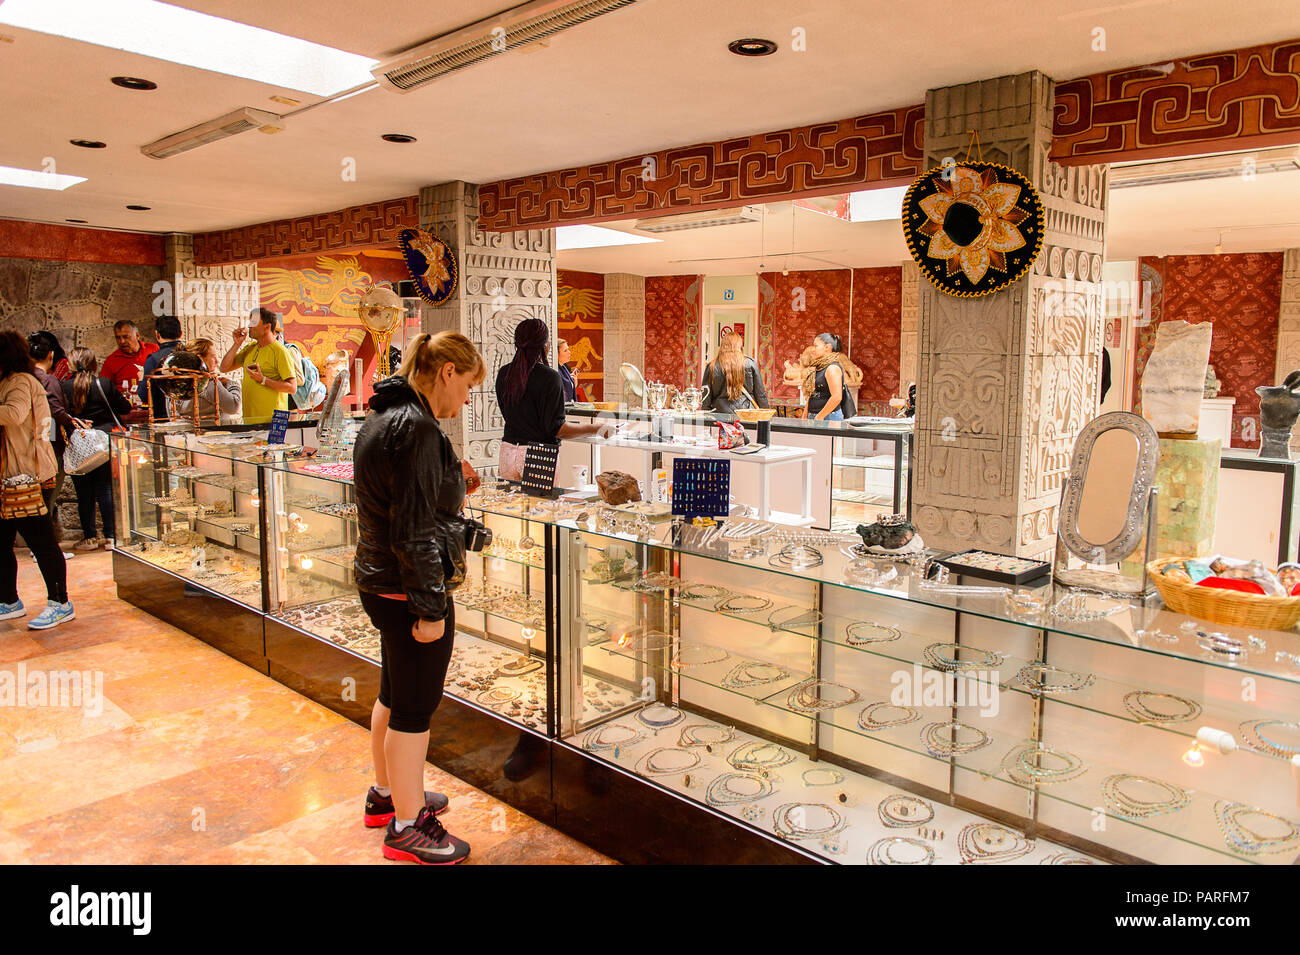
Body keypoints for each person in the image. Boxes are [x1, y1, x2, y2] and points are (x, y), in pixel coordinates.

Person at [353, 331, 487, 865]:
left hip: (380, 582)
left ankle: (388, 796)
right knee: (414, 709)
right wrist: (431, 609)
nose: (468, 399)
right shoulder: (418, 430)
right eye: (469, 385)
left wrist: (452, 488)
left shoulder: (387, 415)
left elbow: (409, 504)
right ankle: (408, 827)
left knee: (393, 692)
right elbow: (413, 532)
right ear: (448, 373)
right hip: (407, 589)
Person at [0, 331, 75, 630]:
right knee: (1, 541)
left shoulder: (20, 381)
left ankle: (61, 603)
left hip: (25, 475)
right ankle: (8, 600)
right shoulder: (9, 380)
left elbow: (14, 414)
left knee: (41, 542)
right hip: (10, 476)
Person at [496, 318, 606, 481]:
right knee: (543, 506)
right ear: (545, 345)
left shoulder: (504, 373)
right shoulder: (549, 377)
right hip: (539, 456)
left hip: (507, 453)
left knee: (510, 506)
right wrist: (595, 428)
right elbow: (557, 429)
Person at [61, 348, 130, 551]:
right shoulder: (104, 384)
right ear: (93, 364)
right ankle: (110, 537)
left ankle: (89, 537)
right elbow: (125, 408)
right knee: (105, 489)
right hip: (103, 443)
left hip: (79, 444)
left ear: (70, 364)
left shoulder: (63, 386)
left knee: (84, 493)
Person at [28, 334, 82, 558]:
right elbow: (54, 411)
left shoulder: (23, 378)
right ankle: (43, 548)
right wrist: (72, 424)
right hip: (48, 445)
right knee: (49, 494)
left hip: (30, 444)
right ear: (51, 355)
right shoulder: (48, 380)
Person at [218, 308, 301, 424]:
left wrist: (263, 380)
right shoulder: (251, 348)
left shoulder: (280, 351)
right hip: (250, 419)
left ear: (267, 327)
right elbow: (224, 368)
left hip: (274, 420)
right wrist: (237, 344)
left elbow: (292, 387)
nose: (249, 326)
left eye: (253, 323)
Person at [165, 338, 242, 425]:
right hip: (212, 435)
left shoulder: (174, 382)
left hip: (185, 435)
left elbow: (173, 416)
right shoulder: (207, 383)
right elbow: (234, 407)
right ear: (200, 359)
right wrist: (232, 383)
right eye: (213, 357)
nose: (217, 362)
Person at [700, 329, 769, 414]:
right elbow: (760, 394)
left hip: (720, 413)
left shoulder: (712, 366)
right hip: (746, 413)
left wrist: (706, 414)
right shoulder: (749, 363)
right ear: (739, 345)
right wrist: (766, 415)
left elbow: (706, 395)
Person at [137, 314, 184, 420]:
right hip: (191, 416)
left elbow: (145, 396)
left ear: (157, 335)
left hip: (163, 418)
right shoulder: (193, 354)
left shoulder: (154, 359)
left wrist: (141, 379)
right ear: (181, 334)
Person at [100, 320, 158, 402]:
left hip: (154, 403)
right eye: (118, 337)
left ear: (137, 335)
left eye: (126, 337)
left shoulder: (154, 349)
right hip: (127, 407)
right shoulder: (111, 360)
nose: (122, 341)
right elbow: (104, 390)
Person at [803, 332, 857, 421]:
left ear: (827, 347)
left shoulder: (832, 368)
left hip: (828, 417)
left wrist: (820, 416)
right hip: (816, 416)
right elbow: (812, 393)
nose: (813, 349)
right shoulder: (819, 367)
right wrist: (805, 413)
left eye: (816, 346)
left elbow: (836, 397)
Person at [557, 338, 577, 403]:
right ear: (557, 354)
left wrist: (574, 383)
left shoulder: (564, 368)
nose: (569, 352)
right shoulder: (556, 370)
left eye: (568, 349)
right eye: (565, 350)